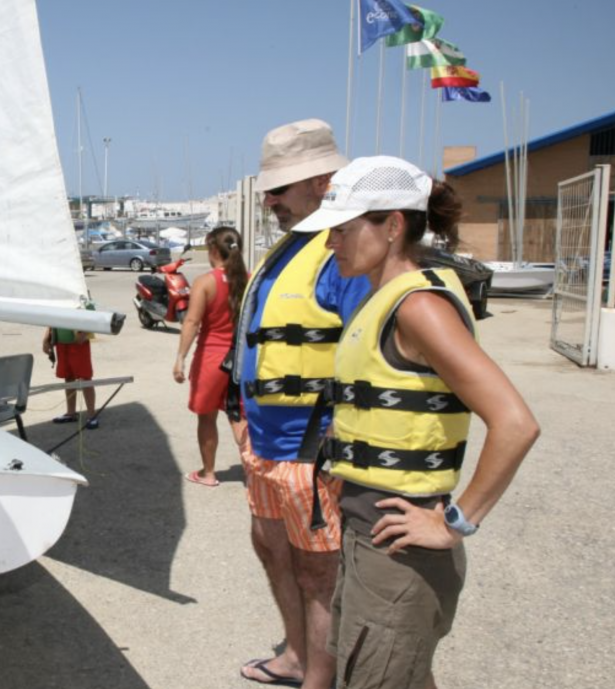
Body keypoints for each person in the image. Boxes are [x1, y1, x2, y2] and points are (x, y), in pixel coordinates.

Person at [291, 156, 538, 688]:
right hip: (370, 538)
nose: (331, 243)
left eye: (343, 228)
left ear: (393, 226)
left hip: (399, 552)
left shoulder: (418, 305)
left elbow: (515, 422)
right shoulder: (387, 299)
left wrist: (454, 523)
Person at [232, 120, 372, 689]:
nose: (269, 201)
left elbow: (367, 349)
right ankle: (296, 654)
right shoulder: (289, 249)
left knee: (319, 569)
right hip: (263, 442)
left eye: (279, 190)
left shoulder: (343, 251)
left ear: (322, 182)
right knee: (271, 549)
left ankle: (321, 677)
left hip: (311, 448)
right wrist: (242, 418)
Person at [172, 227, 247, 487]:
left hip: (212, 359)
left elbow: (192, 322)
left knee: (207, 417)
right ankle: (256, 472)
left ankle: (209, 473)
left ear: (214, 250)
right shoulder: (250, 280)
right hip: (243, 359)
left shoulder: (205, 282)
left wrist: (180, 358)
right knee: (240, 417)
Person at [42, 323, 98, 430]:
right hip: (62, 344)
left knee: (85, 378)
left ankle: (92, 415)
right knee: (68, 376)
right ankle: (71, 413)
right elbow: (52, 318)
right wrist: (46, 337)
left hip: (79, 343)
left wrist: (85, 332)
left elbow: (90, 315)